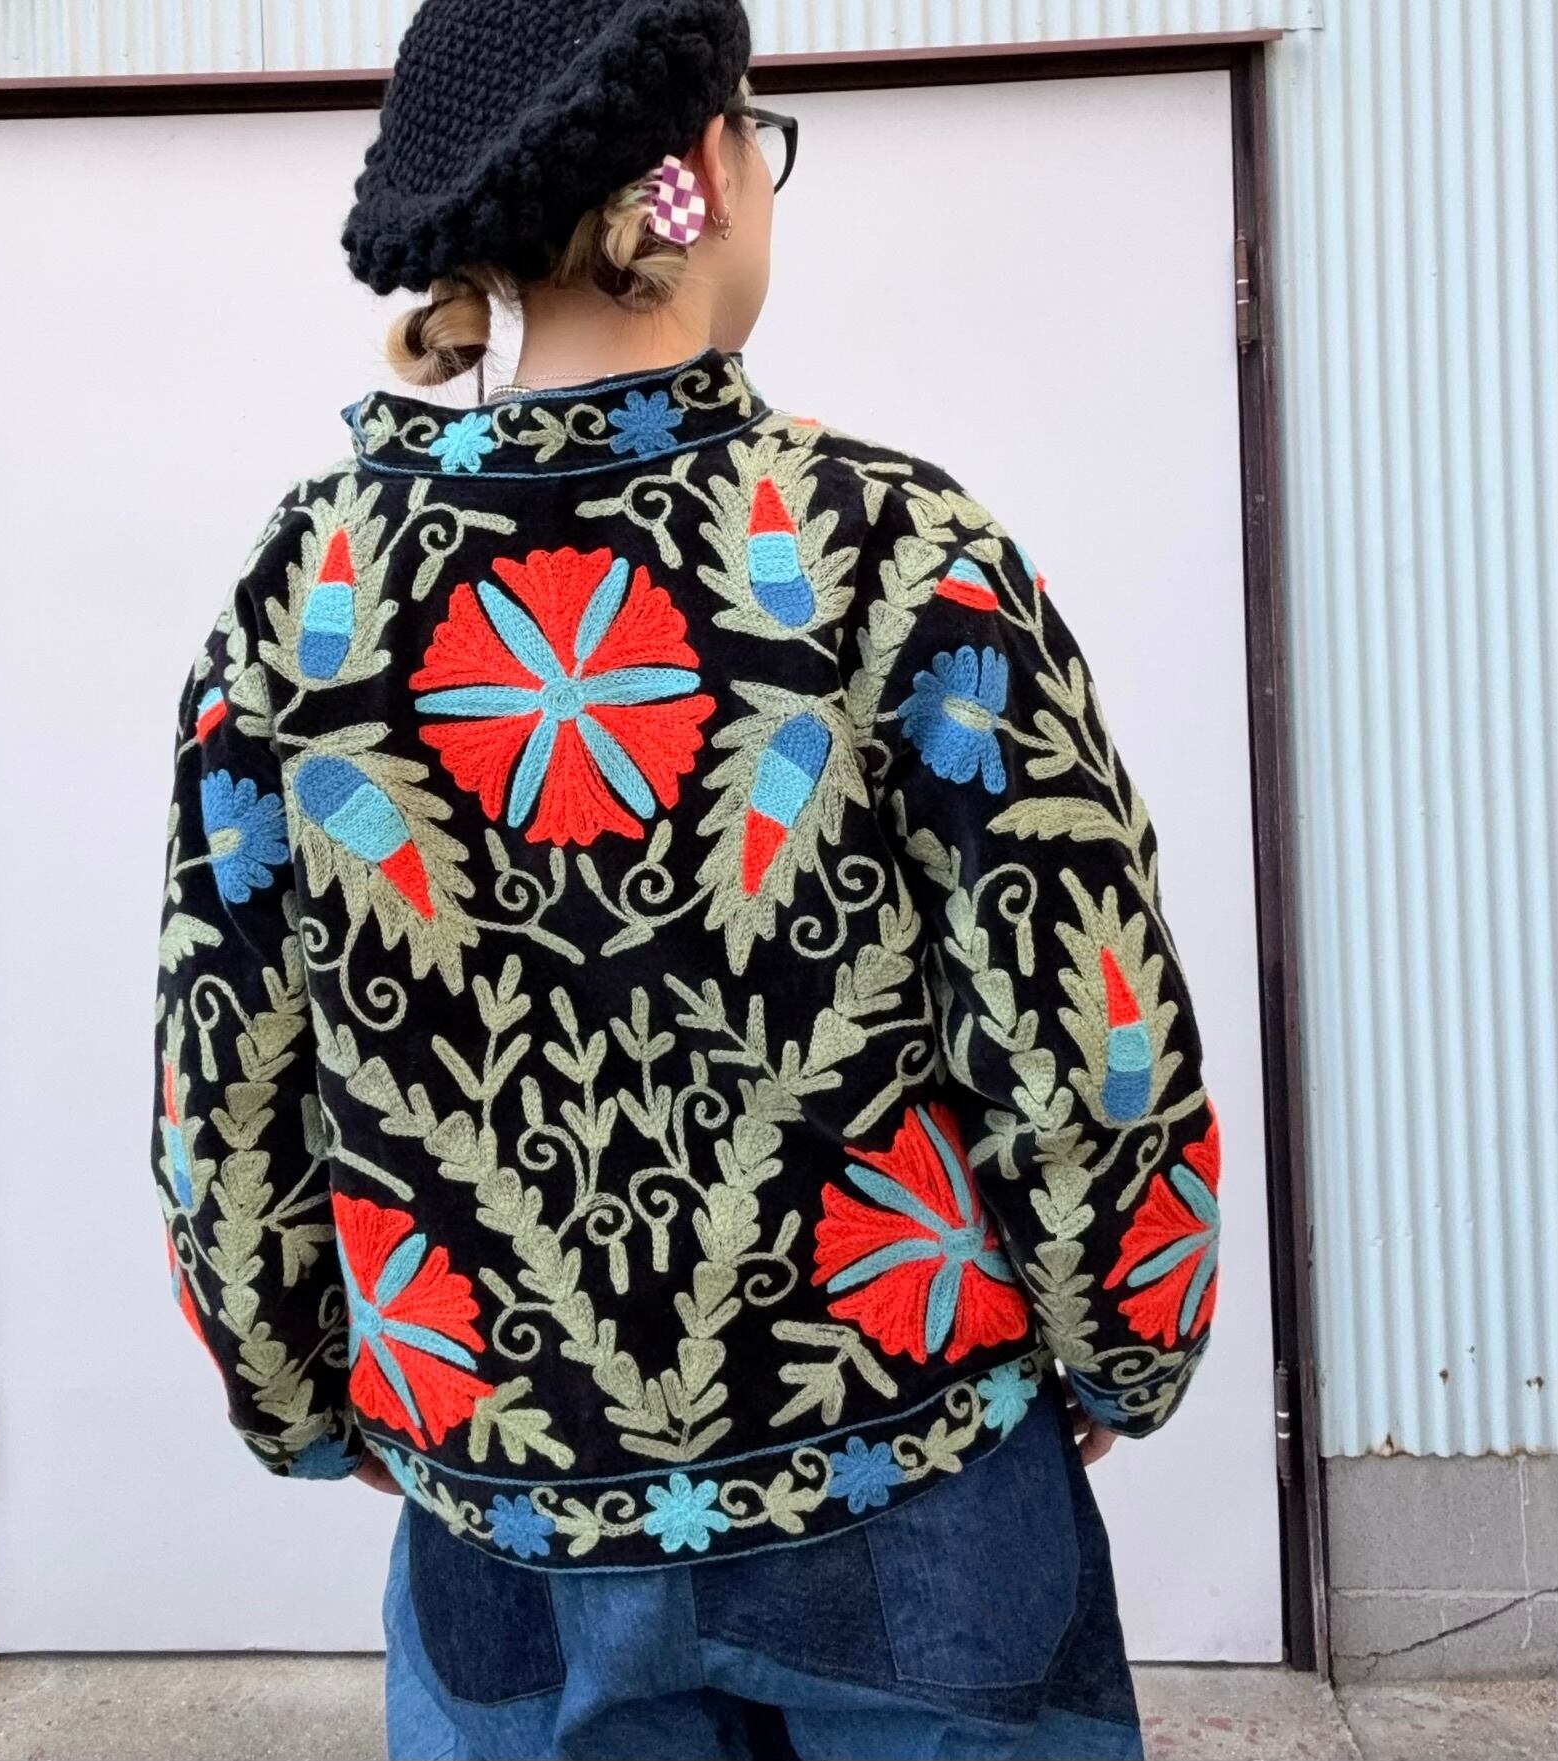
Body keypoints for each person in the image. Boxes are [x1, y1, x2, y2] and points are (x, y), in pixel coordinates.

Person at [148, 3, 1222, 1756]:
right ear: (703, 173)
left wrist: (300, 1395)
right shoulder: (896, 548)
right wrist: (1126, 1336)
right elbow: (1079, 1008)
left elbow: (225, 1063)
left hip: (501, 1510)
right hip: (919, 1487)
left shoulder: (305, 591)